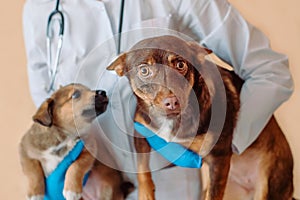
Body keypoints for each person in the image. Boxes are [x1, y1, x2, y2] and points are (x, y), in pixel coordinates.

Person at [22, 0, 294, 199]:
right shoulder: (39, 9)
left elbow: (272, 72)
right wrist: (53, 171)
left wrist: (223, 141)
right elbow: (49, 107)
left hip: (170, 187)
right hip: (91, 184)